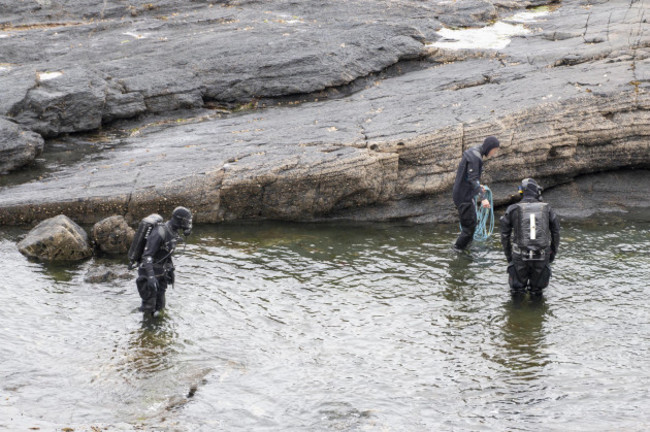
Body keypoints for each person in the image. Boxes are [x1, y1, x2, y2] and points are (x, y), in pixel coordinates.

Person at [500, 178, 560, 296]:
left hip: (519, 256)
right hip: (542, 255)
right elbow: (556, 233)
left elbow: (504, 236)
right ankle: (536, 312)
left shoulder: (512, 209)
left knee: (516, 292)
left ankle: (518, 313)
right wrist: (552, 254)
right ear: (536, 191)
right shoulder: (547, 208)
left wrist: (509, 257)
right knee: (537, 293)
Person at [136, 206, 192, 315]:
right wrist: (151, 277)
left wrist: (170, 270)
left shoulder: (173, 231)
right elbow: (147, 256)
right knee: (148, 308)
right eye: (186, 221)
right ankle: (145, 329)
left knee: (160, 307)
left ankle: (159, 329)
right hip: (148, 273)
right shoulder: (159, 232)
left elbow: (166, 252)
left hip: (161, 273)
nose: (188, 224)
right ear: (179, 220)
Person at [452, 136, 500, 251]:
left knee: (472, 223)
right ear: (490, 147)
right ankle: (457, 250)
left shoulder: (474, 152)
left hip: (463, 193)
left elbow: (470, 177)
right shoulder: (475, 157)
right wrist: (483, 198)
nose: (494, 154)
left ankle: (466, 248)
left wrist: (478, 187)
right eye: (494, 150)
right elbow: (473, 179)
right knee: (469, 228)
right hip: (464, 196)